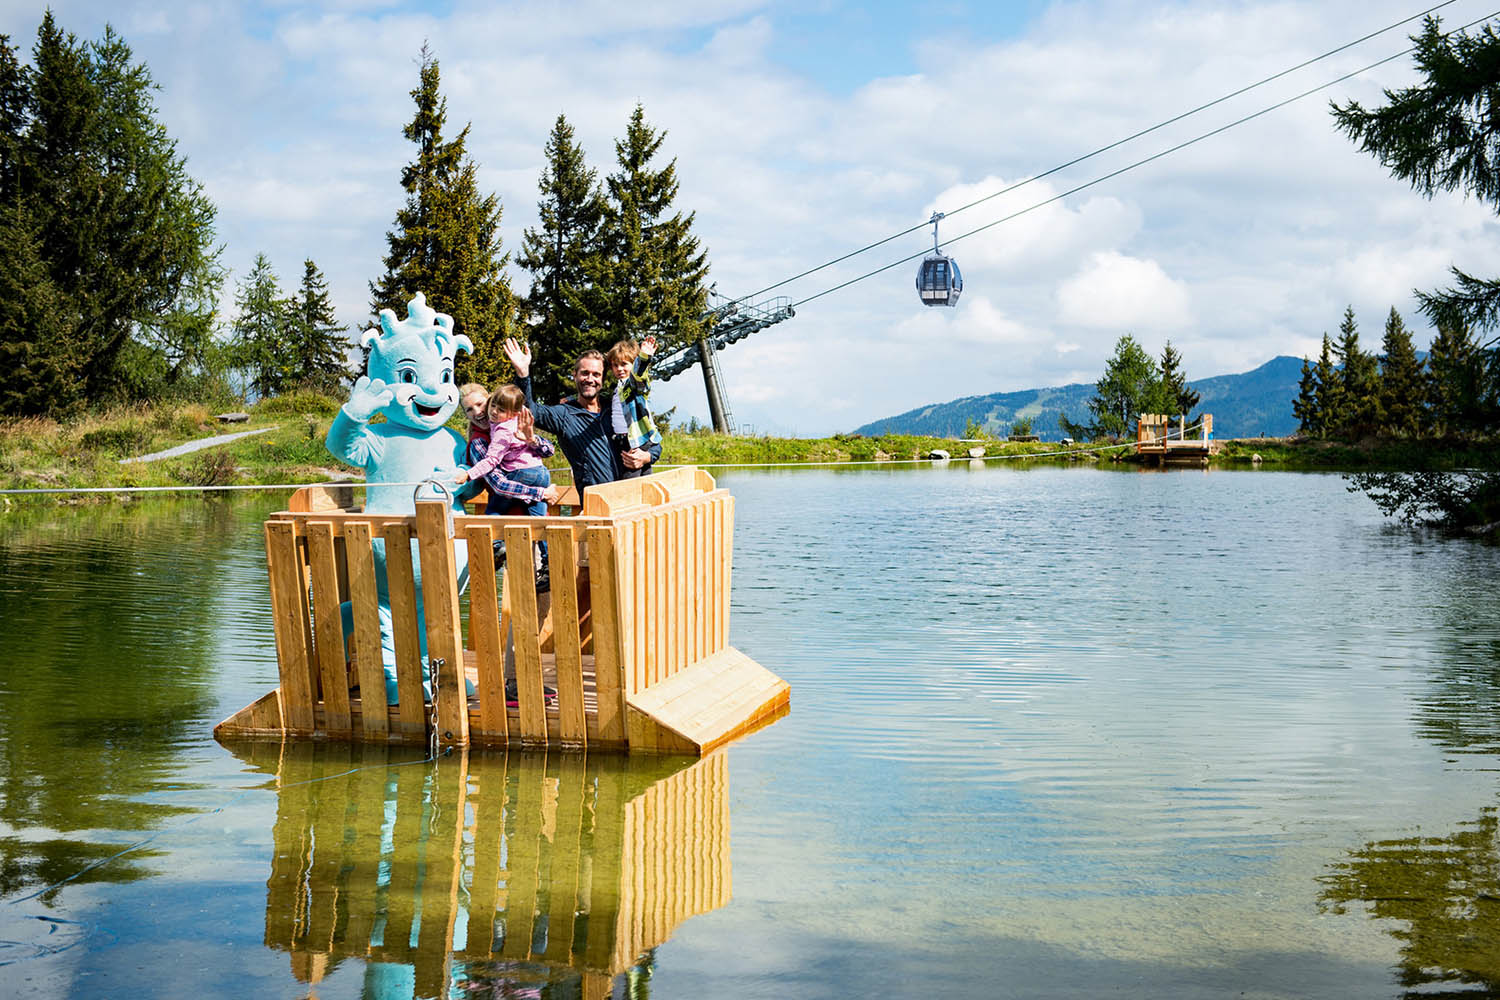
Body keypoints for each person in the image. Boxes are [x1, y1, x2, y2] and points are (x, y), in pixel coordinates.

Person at [502, 338, 659, 496]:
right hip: (597, 506)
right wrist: (523, 374)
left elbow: (653, 442)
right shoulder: (564, 415)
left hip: (629, 500)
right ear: (574, 375)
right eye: (585, 373)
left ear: (602, 380)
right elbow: (530, 411)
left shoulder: (615, 408)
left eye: (596, 374)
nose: (590, 379)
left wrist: (645, 457)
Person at [606, 335, 663, 480]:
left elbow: (639, 376)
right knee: (643, 477)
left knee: (630, 479)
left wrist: (643, 357)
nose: (619, 369)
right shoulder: (616, 388)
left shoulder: (632, 385)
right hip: (621, 440)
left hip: (634, 439)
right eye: (615, 365)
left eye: (624, 364)